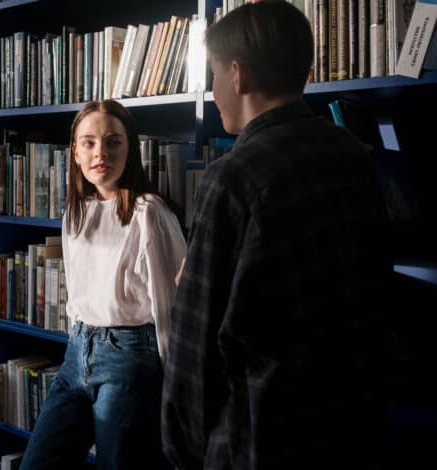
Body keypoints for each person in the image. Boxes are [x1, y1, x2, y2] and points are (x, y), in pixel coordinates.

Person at [162, 2, 393, 469]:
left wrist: (183, 451)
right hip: (352, 425)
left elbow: (195, 344)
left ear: (239, 75)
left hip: (259, 437)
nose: (213, 89)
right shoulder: (354, 153)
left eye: (213, 74)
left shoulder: (234, 178)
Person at [20, 99, 186, 469]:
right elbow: (77, 294)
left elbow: (170, 306)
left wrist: (175, 386)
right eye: (90, 143)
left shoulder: (149, 213)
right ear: (75, 152)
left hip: (130, 357)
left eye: (114, 142)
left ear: (130, 149)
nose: (101, 153)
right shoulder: (75, 213)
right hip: (78, 351)